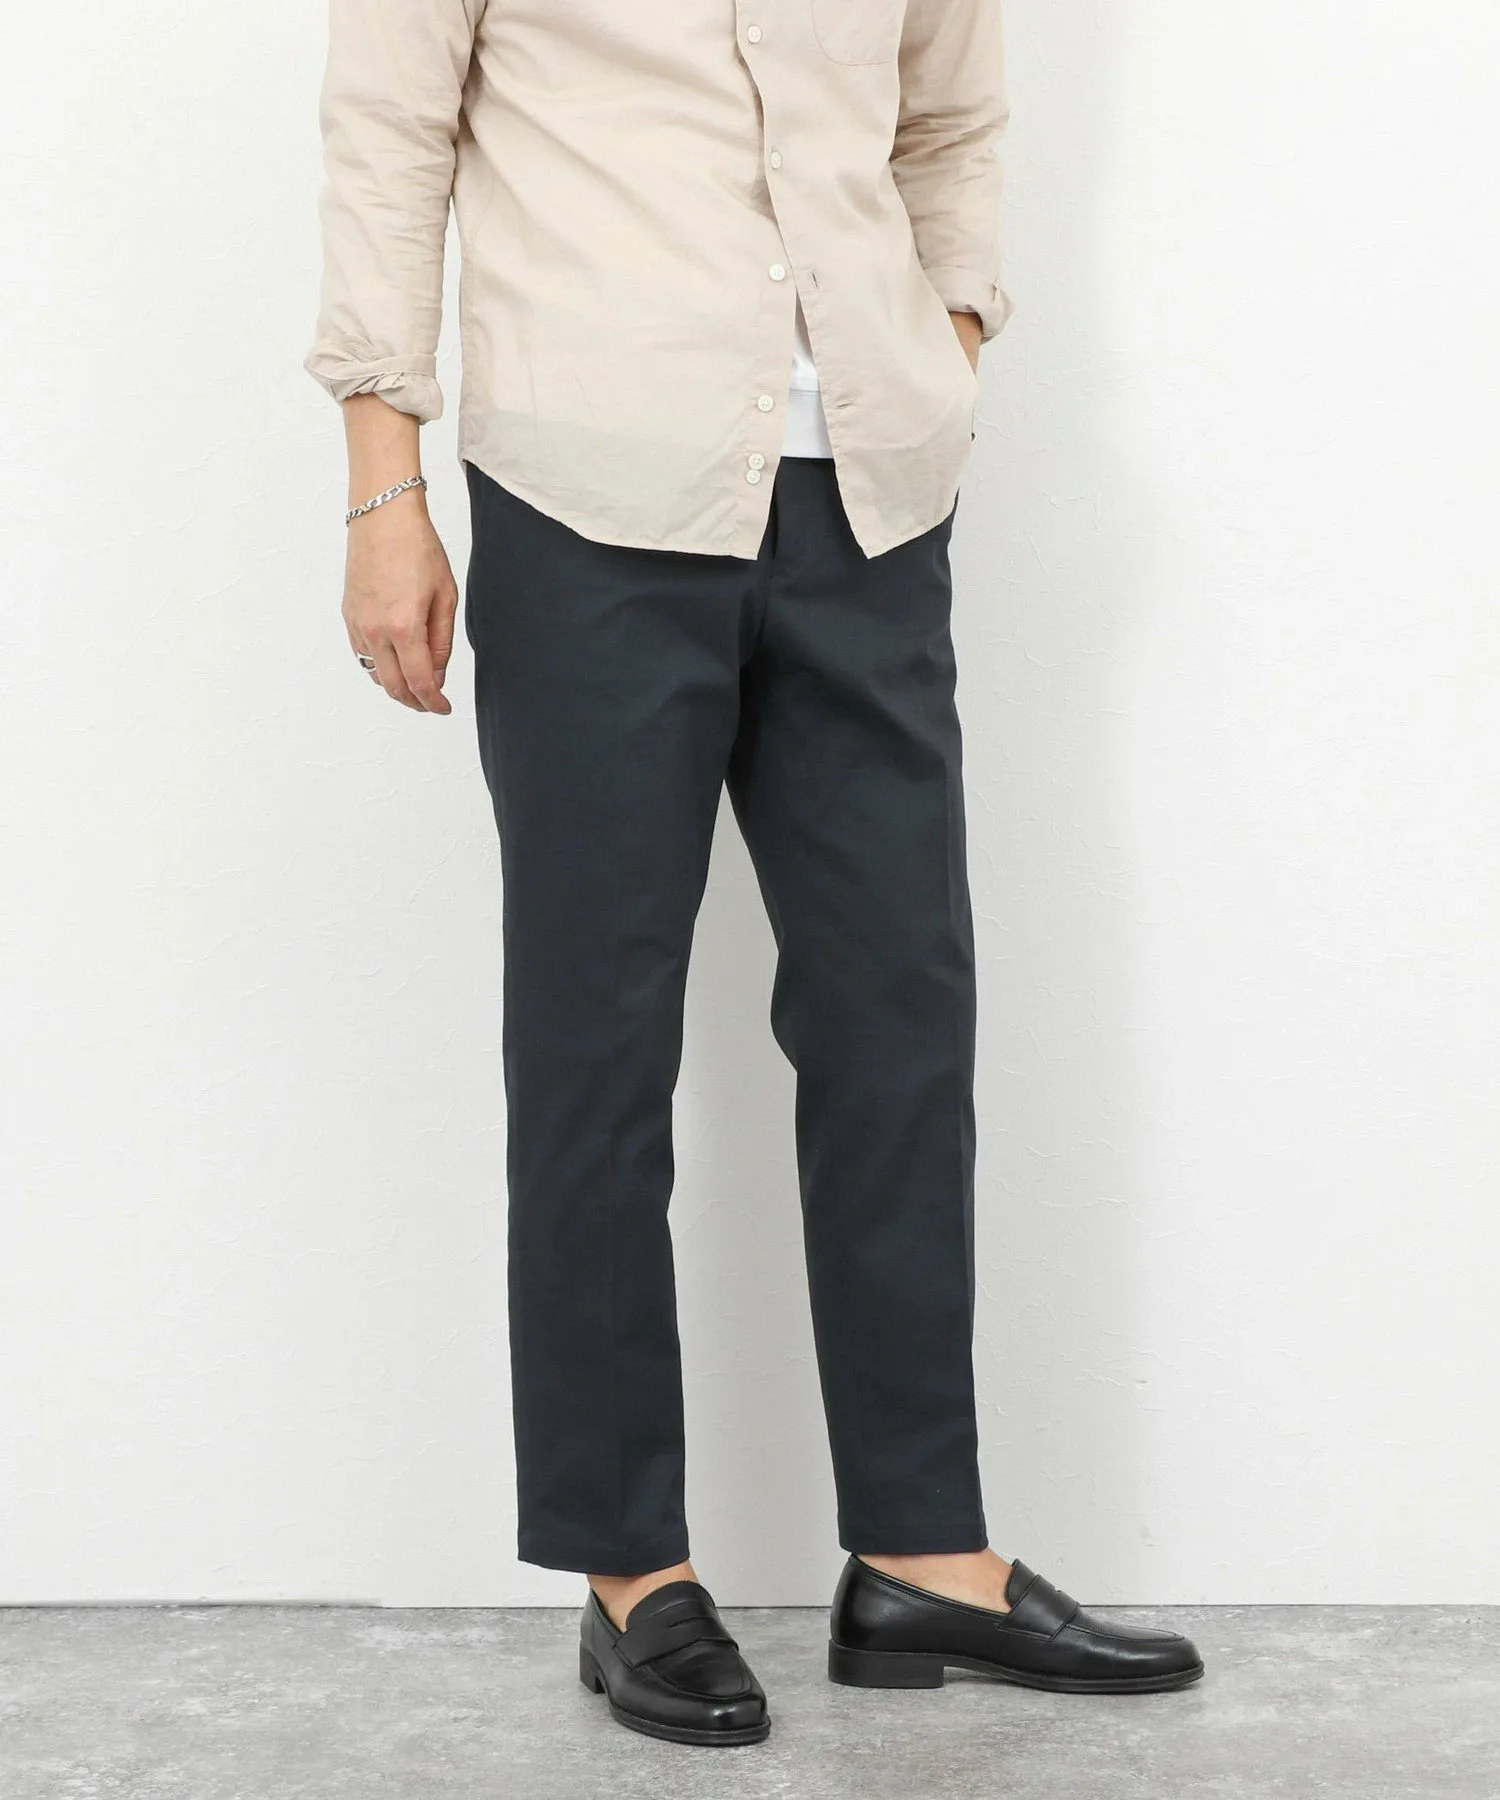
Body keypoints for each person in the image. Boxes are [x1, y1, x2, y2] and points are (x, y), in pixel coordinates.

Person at [305, 0, 1203, 1747]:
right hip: (589, 492)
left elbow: (950, 120)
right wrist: (379, 491)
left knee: (899, 1017)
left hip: (868, 500)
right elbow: (389, 139)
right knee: (596, 1043)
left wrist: (940, 347)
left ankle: (924, 1555)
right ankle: (630, 1569)